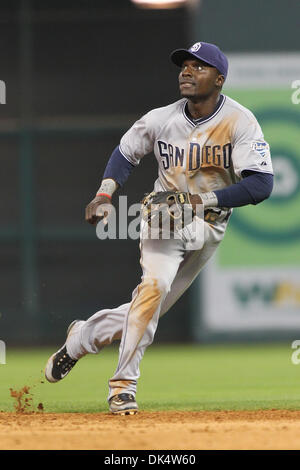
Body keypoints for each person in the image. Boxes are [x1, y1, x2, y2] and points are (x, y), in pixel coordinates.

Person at [45, 42, 274, 415]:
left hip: (209, 227)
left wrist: (197, 202)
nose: (186, 71)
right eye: (184, 65)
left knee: (147, 309)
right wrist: (104, 195)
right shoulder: (160, 118)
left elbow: (261, 185)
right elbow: (125, 152)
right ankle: (122, 387)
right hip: (164, 218)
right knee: (153, 288)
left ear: (219, 79)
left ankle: (82, 337)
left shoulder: (240, 122)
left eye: (198, 67)